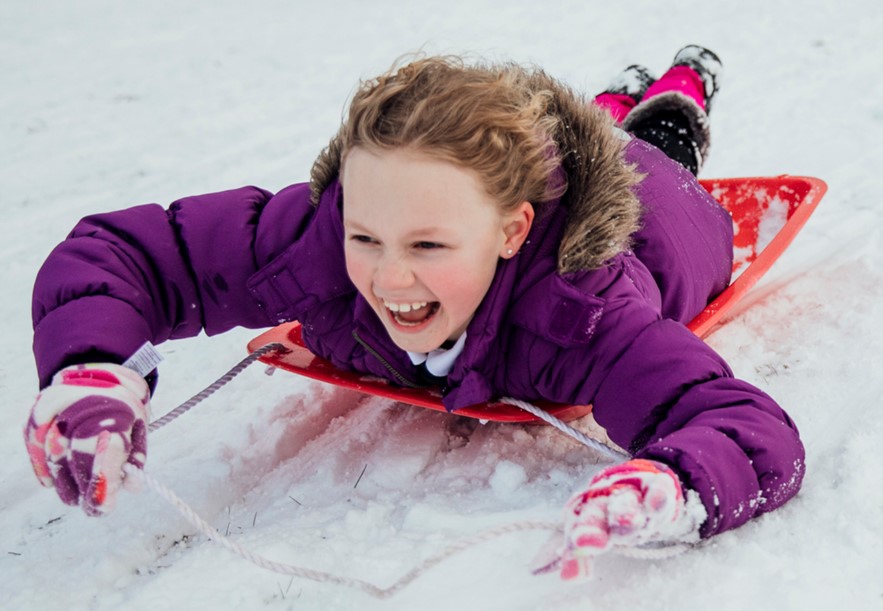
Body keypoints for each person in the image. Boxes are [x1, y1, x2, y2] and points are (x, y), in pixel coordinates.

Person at [25, 46, 805, 580]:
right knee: (570, 126)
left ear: (511, 232)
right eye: (366, 234)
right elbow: (135, 253)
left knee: (655, 140)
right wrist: (91, 367)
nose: (387, 274)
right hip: (509, 170)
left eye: (428, 244)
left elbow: (736, 422)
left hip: (664, 207)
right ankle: (600, 105)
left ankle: (681, 84)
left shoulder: (580, 308)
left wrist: (674, 483)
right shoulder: (321, 238)